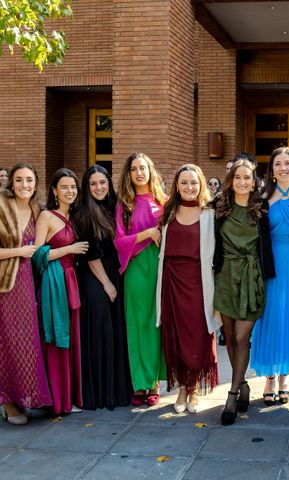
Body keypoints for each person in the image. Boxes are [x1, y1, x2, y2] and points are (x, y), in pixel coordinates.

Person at [213, 159, 274, 426]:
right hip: (226, 276)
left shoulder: (261, 209)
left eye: (247, 177)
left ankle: (232, 394)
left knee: (241, 337)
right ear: (231, 180)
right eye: (237, 177)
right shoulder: (219, 208)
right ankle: (244, 384)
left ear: (253, 181)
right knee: (229, 335)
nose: (242, 182)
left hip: (252, 276)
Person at [157, 164, 218, 414]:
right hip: (171, 280)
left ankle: (194, 390)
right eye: (184, 182)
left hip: (198, 281)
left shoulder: (209, 214)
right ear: (177, 185)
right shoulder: (167, 213)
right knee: (176, 337)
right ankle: (183, 387)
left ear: (201, 184)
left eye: (194, 182)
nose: (189, 187)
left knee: (197, 335)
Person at [250, 147, 289, 405]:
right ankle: (269, 379)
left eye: (288, 163)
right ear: (271, 169)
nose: (283, 168)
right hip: (270, 264)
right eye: (278, 164)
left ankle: (284, 379)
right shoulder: (261, 197)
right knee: (270, 318)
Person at [74, 166, 132, 410]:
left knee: (116, 331)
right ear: (87, 188)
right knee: (101, 331)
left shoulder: (114, 206)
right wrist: (106, 284)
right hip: (94, 275)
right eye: (93, 184)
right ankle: (98, 394)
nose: (99, 187)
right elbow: (90, 253)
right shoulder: (83, 212)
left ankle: (117, 393)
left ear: (109, 183)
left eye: (103, 182)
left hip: (114, 271)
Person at [33, 168, 89, 415]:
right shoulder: (47, 216)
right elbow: (37, 255)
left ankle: (72, 397)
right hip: (54, 281)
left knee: (72, 336)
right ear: (54, 190)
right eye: (64, 187)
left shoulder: (76, 216)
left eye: (73, 187)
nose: (69, 191)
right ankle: (58, 401)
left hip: (72, 280)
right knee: (57, 337)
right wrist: (69, 249)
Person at [0, 164, 51, 425]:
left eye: (29, 180)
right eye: (19, 180)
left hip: (28, 284)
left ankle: (22, 397)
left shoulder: (36, 210)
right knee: (6, 343)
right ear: (11, 182)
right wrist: (17, 252)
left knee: (25, 342)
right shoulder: (0, 205)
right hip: (4, 285)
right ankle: (8, 403)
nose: (24, 185)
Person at [115, 152, 166, 407]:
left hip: (159, 265)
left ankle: (154, 381)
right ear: (129, 173)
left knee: (154, 322)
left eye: (143, 168)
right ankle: (139, 384)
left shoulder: (163, 201)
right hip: (135, 267)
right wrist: (146, 233)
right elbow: (119, 240)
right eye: (134, 168)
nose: (139, 173)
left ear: (150, 170)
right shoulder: (124, 205)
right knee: (136, 323)